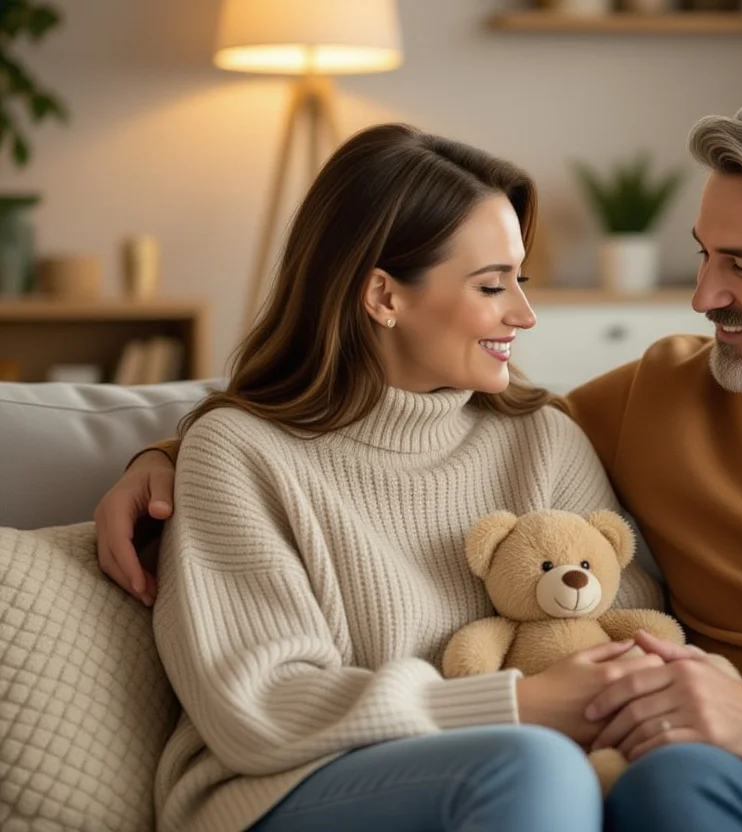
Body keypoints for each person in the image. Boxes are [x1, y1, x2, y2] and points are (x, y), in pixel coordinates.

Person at [96, 89, 742, 832]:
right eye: (702, 253)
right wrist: (172, 448)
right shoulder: (658, 396)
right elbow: (367, 418)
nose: (702, 296)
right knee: (669, 787)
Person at [122, 123, 698, 832]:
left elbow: (625, 626)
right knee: (532, 766)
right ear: (383, 296)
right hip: (285, 790)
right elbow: (259, 706)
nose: (524, 312)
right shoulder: (238, 454)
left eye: (520, 277)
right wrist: (513, 704)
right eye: (492, 285)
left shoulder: (542, 436)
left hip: (524, 774)